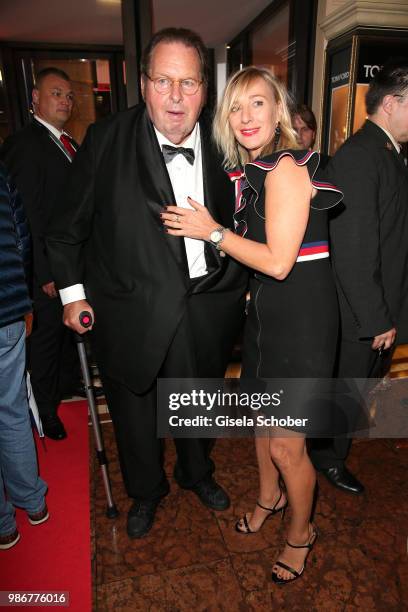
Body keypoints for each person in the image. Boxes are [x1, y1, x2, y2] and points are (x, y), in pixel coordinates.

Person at [46, 29, 247, 538]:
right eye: (163, 81)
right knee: (136, 415)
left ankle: (196, 473)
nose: (176, 97)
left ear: (206, 88)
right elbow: (67, 230)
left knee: (199, 404)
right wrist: (73, 296)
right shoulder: (107, 140)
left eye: (188, 82)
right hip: (130, 311)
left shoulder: (230, 144)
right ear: (143, 84)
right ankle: (145, 492)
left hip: (207, 307)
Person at [161, 66, 343, 584]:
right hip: (267, 314)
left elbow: (282, 262)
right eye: (236, 107)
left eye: (257, 104)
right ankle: (269, 498)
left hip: (301, 324)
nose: (245, 117)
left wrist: (212, 231)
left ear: (278, 110)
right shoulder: (256, 170)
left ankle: (300, 533)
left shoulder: (286, 168)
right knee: (263, 425)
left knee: (288, 444)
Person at [309, 59, 408, 494]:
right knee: (347, 385)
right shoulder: (359, 156)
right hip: (360, 314)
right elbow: (353, 248)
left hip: (378, 304)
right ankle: (327, 458)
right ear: (391, 102)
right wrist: (375, 318)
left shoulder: (386, 152)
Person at [0, 67, 82, 441]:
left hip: (73, 264)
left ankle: (67, 389)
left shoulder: (70, 144)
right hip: (47, 271)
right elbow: (27, 215)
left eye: (68, 95)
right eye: (55, 93)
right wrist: (46, 273)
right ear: (35, 98)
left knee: (67, 336)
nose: (64, 101)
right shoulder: (24, 144)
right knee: (46, 342)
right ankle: (46, 412)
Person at [0, 163, 48, 550]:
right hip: (7, 310)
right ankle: (33, 503)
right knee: (13, 412)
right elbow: (21, 237)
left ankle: (4, 525)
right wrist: (23, 300)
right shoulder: (1, 170)